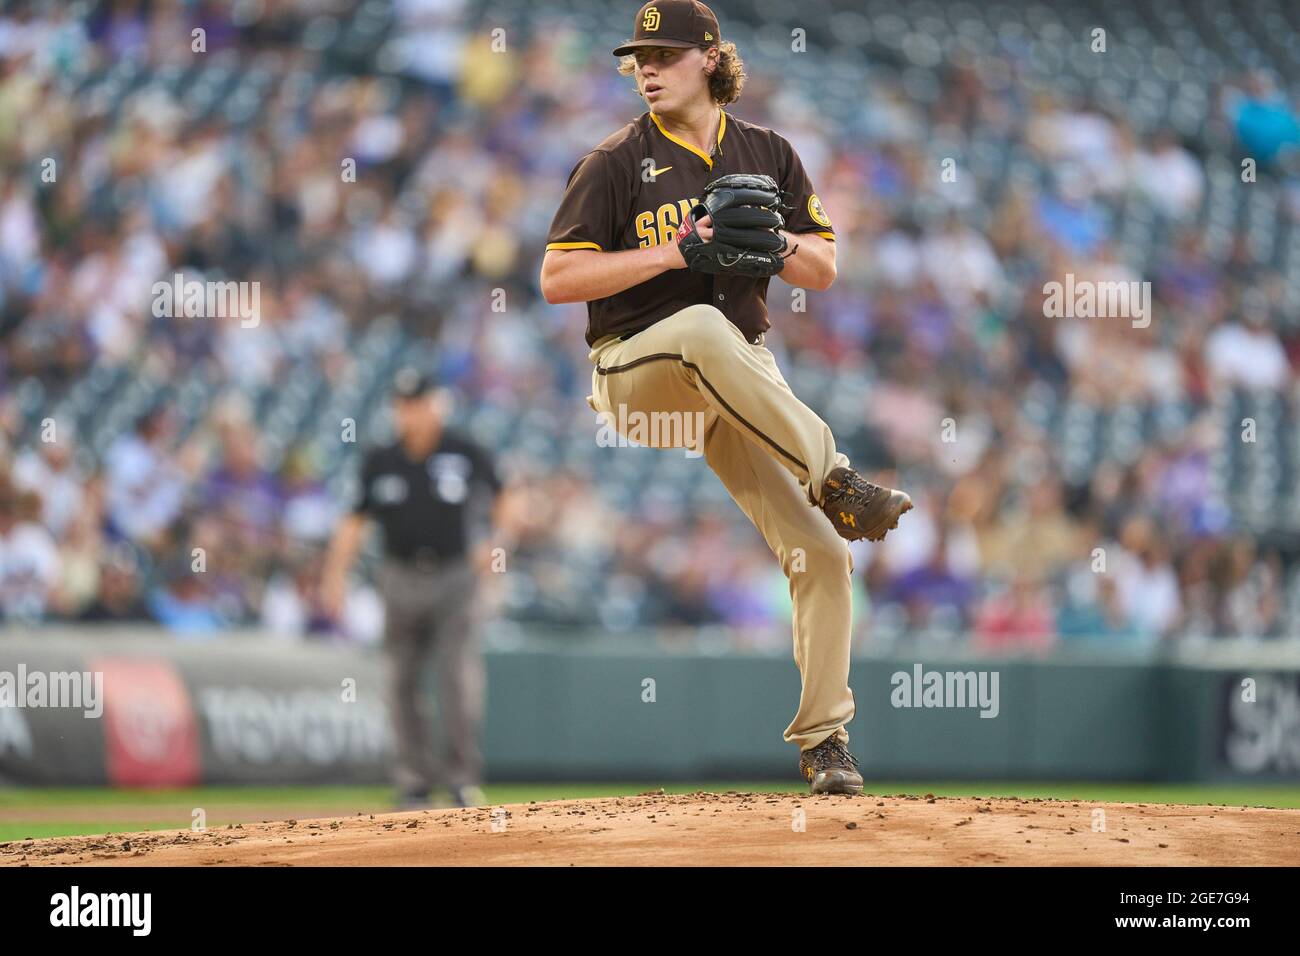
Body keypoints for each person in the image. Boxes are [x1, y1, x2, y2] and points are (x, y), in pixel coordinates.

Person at [539, 0, 912, 795]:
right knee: (704, 323)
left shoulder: (766, 150)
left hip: (734, 379)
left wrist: (773, 244)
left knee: (820, 552)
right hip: (635, 373)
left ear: (709, 57)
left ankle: (825, 743)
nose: (645, 67)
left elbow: (824, 267)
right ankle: (837, 477)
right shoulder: (612, 160)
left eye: (664, 53)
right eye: (637, 56)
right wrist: (674, 251)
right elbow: (557, 279)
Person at [322, 369, 507, 808]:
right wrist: (335, 574)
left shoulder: (463, 449)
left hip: (454, 576)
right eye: (404, 405)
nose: (412, 413)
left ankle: (461, 779)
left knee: (456, 678)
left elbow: (506, 494)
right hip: (398, 576)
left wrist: (497, 543)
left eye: (419, 403)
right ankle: (414, 781)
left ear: (435, 404)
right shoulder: (380, 458)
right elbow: (354, 520)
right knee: (401, 679)